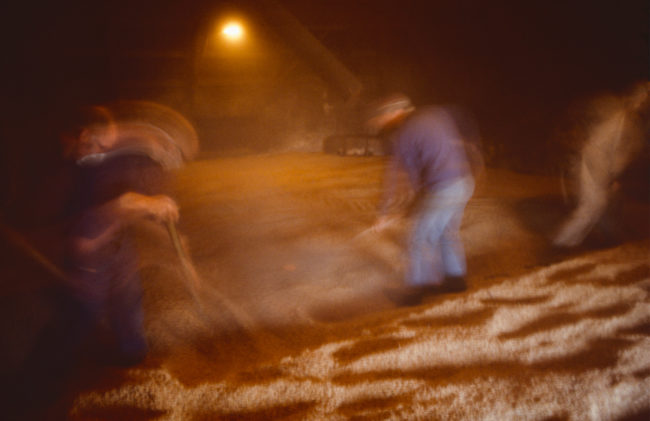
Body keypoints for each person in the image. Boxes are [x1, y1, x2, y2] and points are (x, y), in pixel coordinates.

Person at [368, 94, 475, 305]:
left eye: (384, 116)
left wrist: (384, 213)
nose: (382, 121)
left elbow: (396, 177)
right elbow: (462, 121)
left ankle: (415, 291)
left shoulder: (403, 134)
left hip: (444, 188)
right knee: (447, 232)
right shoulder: (434, 112)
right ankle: (455, 280)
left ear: (396, 113)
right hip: (464, 182)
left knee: (419, 238)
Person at [553, 81, 650, 247]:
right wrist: (608, 177)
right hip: (594, 161)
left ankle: (610, 237)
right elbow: (606, 150)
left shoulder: (633, 124)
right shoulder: (623, 120)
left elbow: (624, 155)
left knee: (609, 204)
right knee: (593, 206)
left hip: (602, 164)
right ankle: (560, 243)